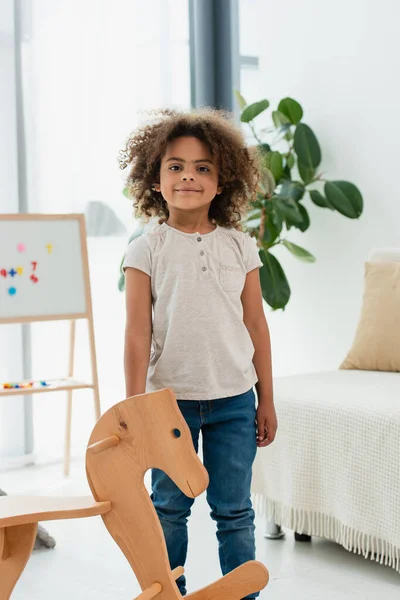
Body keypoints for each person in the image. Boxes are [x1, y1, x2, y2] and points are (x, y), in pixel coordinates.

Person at [120, 108, 277, 599]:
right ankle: (169, 591)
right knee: (168, 507)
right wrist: (136, 411)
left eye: (203, 167)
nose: (188, 174)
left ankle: (240, 593)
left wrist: (266, 398)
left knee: (235, 511)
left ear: (222, 179)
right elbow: (136, 334)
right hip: (169, 406)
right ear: (155, 178)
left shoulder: (240, 246)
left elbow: (256, 325)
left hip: (235, 401)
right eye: (175, 166)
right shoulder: (145, 250)